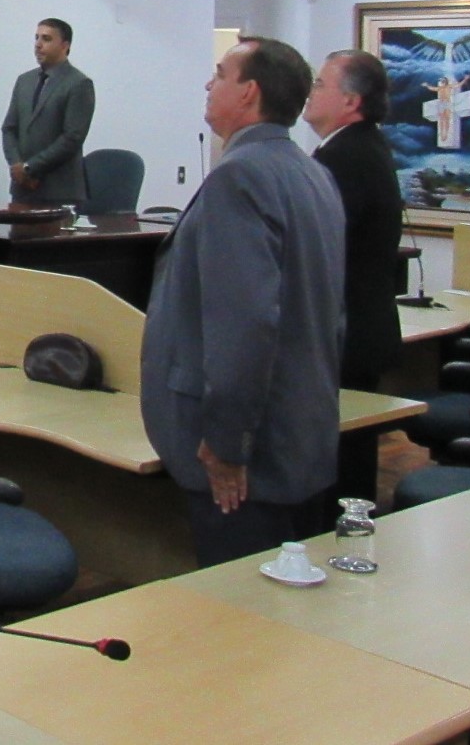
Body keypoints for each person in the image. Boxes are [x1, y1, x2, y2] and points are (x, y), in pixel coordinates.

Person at [141, 37, 345, 566]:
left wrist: (227, 442)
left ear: (249, 92)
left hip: (249, 454)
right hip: (300, 429)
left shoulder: (240, 176)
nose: (209, 84)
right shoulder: (312, 172)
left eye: (220, 74)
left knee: (243, 602)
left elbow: (245, 324)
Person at [304, 49, 405, 391]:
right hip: (359, 326)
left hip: (345, 331)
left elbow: (319, 246)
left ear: (350, 101)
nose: (310, 93)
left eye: (319, 85)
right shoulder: (363, 145)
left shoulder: (344, 157)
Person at [1, 18, 95, 204]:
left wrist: (29, 167)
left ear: (65, 45)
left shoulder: (78, 84)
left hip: (59, 190)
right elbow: (9, 129)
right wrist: (17, 166)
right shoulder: (24, 81)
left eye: (46, 39)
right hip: (22, 188)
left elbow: (72, 138)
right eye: (36, 38)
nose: (38, 44)